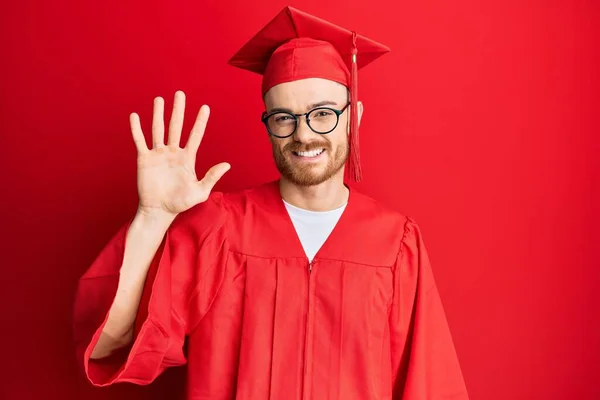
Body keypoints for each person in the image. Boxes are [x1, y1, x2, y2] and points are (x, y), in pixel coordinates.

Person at [73, 6, 469, 400]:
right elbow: (110, 345)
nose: (304, 134)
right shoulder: (218, 229)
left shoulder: (396, 242)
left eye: (323, 113)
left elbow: (431, 385)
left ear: (354, 118)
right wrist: (151, 220)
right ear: (268, 124)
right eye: (284, 117)